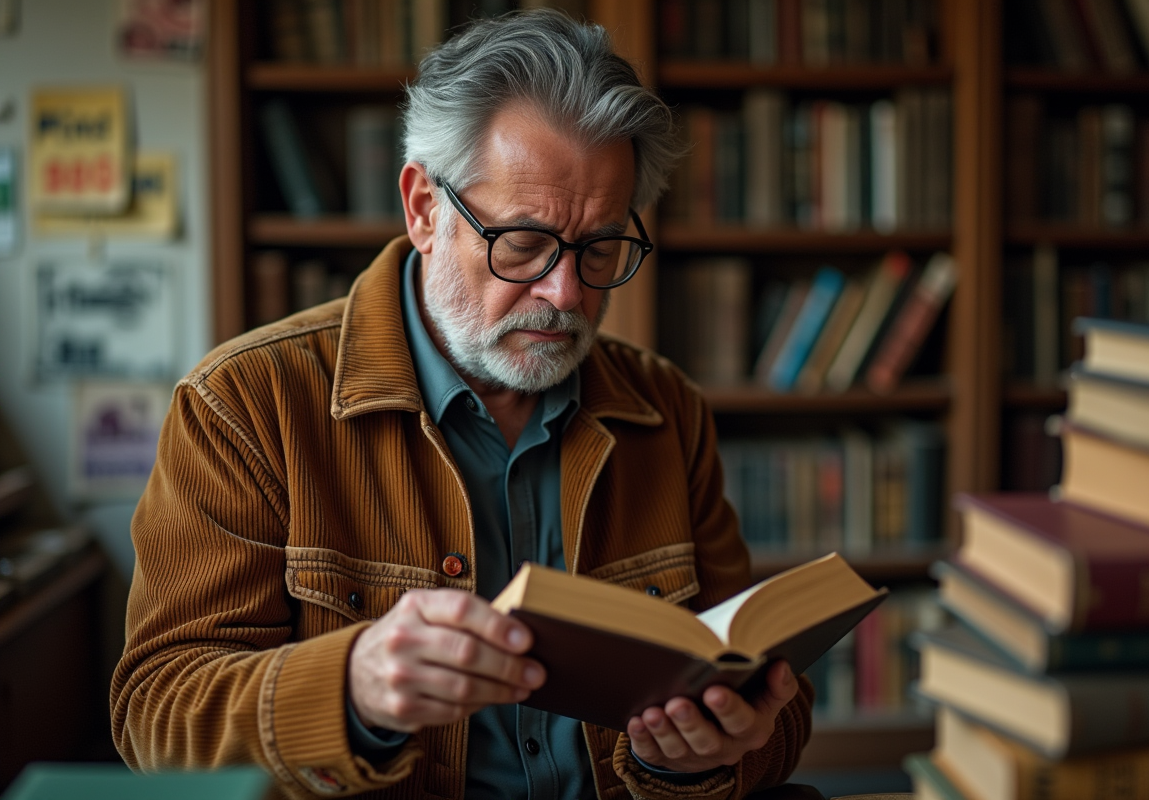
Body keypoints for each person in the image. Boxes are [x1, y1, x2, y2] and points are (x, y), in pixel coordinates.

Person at [111, 9, 813, 799]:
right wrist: (353, 690)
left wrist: (699, 758)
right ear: (423, 210)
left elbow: (768, 710)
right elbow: (157, 719)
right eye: (522, 242)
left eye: (602, 247)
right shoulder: (243, 405)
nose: (565, 293)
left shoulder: (666, 410)